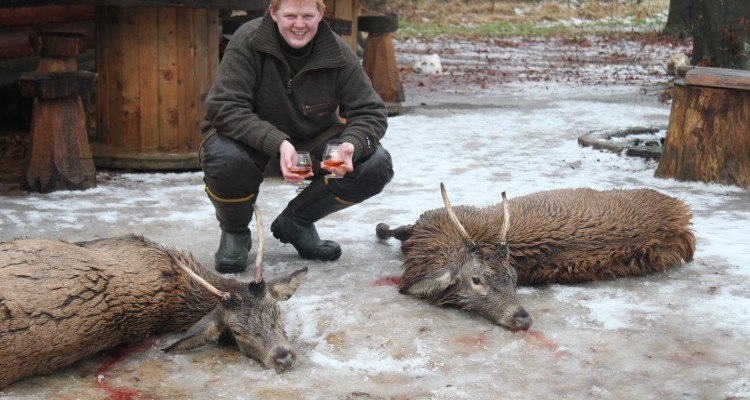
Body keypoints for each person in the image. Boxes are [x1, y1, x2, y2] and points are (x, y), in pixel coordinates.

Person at [200, 0, 394, 273]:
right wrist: (278, 142)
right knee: (224, 157)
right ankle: (234, 231)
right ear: (273, 13)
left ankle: (297, 221)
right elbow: (224, 108)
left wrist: (352, 144)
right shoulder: (248, 40)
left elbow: (371, 111)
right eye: (290, 15)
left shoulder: (337, 51)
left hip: (310, 156)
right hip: (253, 149)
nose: (299, 25)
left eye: (307, 15)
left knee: (375, 165)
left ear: (321, 14)